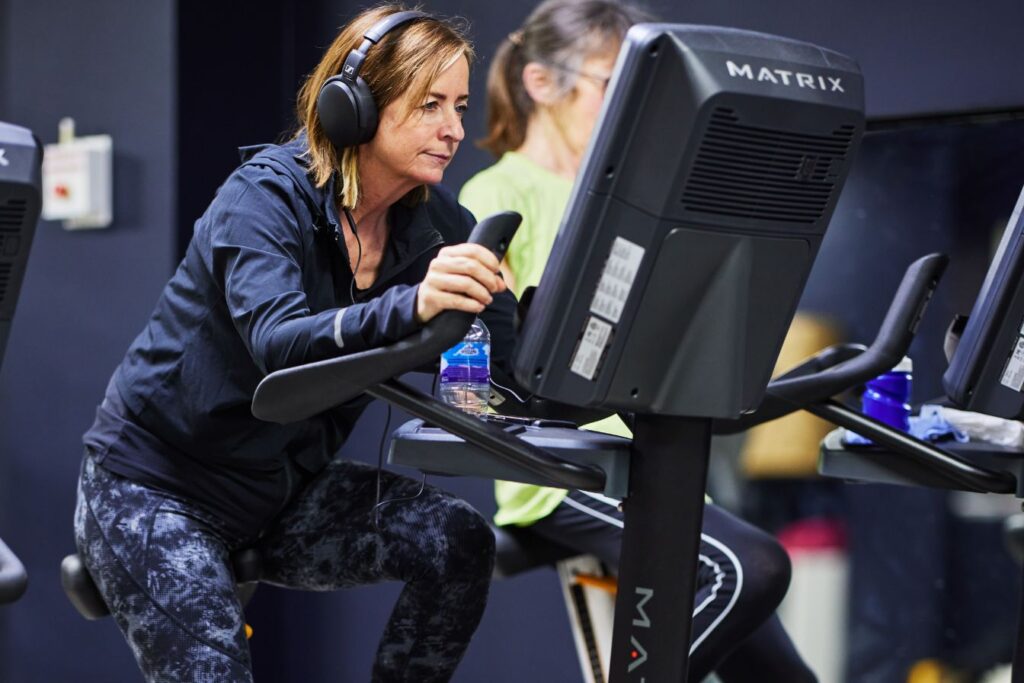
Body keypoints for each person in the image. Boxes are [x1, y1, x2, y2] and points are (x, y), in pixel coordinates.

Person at [73, 6, 514, 682]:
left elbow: (508, 358)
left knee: (458, 540)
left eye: (457, 105)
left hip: (278, 493)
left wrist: (540, 315)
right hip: (154, 487)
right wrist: (415, 304)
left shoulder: (434, 225)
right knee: (215, 665)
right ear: (356, 107)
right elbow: (279, 343)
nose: (455, 129)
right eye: (430, 105)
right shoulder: (264, 198)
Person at [460, 1, 817, 680]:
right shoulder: (498, 189)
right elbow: (483, 357)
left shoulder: (627, 194)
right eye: (608, 83)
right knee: (754, 569)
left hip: (650, 450)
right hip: (565, 470)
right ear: (541, 83)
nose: (625, 105)